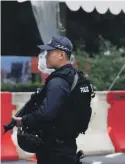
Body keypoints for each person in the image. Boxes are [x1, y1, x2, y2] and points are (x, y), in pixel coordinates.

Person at [13, 36, 92, 164]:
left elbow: (46, 113)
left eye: (49, 52)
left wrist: (23, 121)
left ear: (61, 54)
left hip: (53, 150)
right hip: (68, 146)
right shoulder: (76, 76)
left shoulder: (58, 81)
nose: (46, 56)